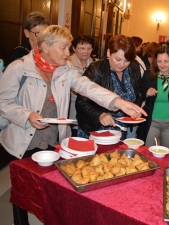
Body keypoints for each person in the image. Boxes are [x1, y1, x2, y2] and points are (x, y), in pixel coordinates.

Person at [0, 25, 146, 225]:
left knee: (50, 188)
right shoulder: (19, 67)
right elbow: (2, 103)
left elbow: (88, 87)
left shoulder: (64, 69)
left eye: (69, 47)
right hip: (23, 139)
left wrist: (117, 102)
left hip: (54, 139)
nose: (68, 53)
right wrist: (26, 115)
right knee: (23, 189)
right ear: (45, 46)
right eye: (63, 48)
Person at [76, 34, 143, 139]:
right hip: (96, 128)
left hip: (121, 129)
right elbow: (81, 102)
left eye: (126, 61)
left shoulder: (134, 67)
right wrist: (100, 115)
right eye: (118, 59)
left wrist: (135, 109)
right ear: (108, 53)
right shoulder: (96, 69)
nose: (122, 64)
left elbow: (139, 91)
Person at [137, 46, 169, 150]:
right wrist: (146, 93)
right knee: (147, 151)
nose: (162, 65)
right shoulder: (148, 75)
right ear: (155, 61)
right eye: (159, 61)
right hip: (152, 120)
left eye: (166, 61)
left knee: (166, 154)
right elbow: (138, 94)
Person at [68, 35, 94, 136]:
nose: (86, 52)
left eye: (89, 48)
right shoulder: (67, 63)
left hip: (89, 108)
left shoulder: (95, 65)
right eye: (82, 48)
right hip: (71, 106)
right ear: (74, 48)